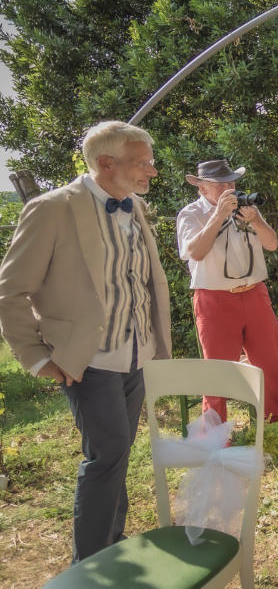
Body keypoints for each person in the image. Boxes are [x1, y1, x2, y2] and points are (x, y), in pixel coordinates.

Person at [0, 121, 171, 562]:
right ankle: (91, 565)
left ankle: (112, 548)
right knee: (108, 453)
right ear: (105, 163)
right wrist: (37, 358)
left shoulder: (133, 205)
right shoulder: (53, 209)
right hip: (87, 359)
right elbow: (10, 291)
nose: (152, 171)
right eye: (143, 163)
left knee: (117, 453)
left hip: (137, 354)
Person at [176, 160, 278, 422]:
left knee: (269, 364)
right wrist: (218, 216)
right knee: (217, 373)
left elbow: (272, 244)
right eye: (221, 184)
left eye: (232, 182)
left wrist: (257, 219)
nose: (229, 188)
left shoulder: (247, 208)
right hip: (214, 299)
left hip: (255, 293)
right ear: (202, 189)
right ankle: (215, 438)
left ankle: (272, 426)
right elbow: (195, 252)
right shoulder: (190, 214)